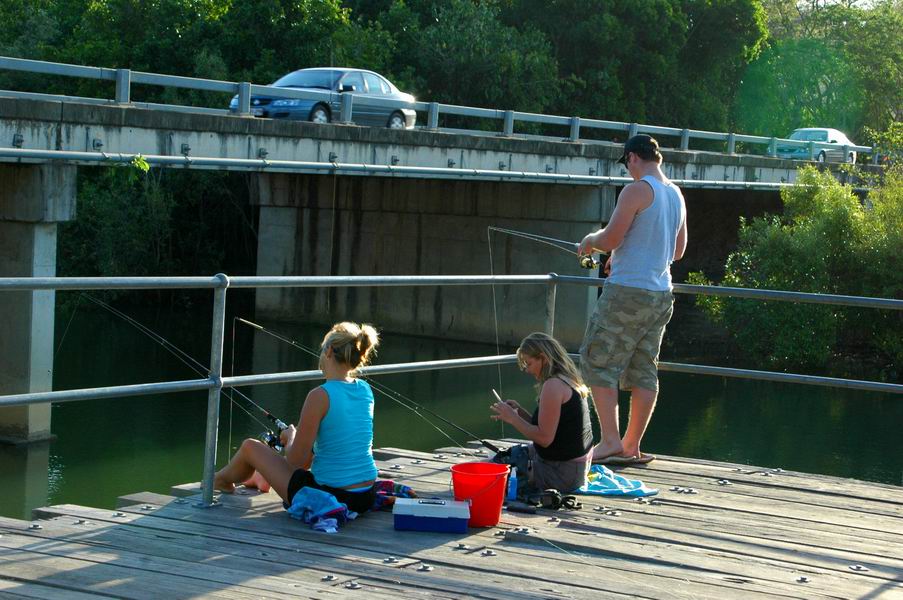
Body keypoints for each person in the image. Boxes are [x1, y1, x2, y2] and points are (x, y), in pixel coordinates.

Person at [577, 134, 687, 465]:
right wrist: (622, 254)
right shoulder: (676, 193)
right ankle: (631, 446)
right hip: (660, 294)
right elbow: (677, 251)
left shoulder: (637, 189)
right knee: (643, 367)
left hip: (627, 292)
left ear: (633, 158)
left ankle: (610, 442)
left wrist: (589, 241)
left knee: (597, 359)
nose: (627, 170)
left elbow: (610, 237)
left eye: (626, 164)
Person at [214, 321, 380, 515]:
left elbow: (296, 462)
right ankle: (257, 477)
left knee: (250, 447)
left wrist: (291, 436)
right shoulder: (365, 390)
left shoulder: (320, 395)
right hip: (365, 495)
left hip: (334, 497)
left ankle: (220, 480)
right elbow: (325, 449)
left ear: (329, 352)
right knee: (291, 459)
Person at [490, 332, 594, 494]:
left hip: (564, 474)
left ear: (543, 358)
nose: (526, 370)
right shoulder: (567, 378)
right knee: (508, 456)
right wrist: (520, 413)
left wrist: (512, 419)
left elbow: (544, 439)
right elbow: (553, 429)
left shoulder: (553, 386)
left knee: (495, 474)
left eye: (529, 363)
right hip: (576, 467)